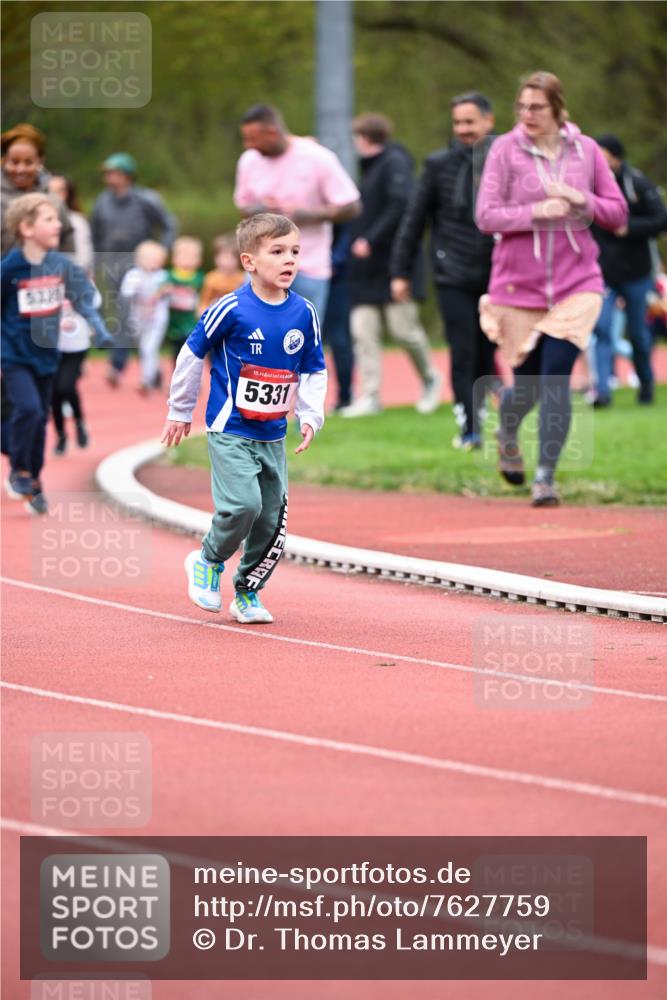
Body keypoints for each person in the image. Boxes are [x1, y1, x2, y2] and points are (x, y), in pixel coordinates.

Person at [161, 213, 327, 624]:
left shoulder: (304, 313)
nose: (289, 260)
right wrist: (180, 409)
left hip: (273, 433)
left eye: (294, 251)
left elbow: (313, 368)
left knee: (272, 521)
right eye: (277, 252)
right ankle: (208, 559)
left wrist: (310, 415)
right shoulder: (230, 308)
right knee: (243, 506)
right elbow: (191, 354)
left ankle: (248, 591)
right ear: (249, 261)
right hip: (231, 428)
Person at [476, 71, 627, 506]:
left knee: (556, 378)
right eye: (521, 106)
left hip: (577, 282)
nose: (527, 115)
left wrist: (583, 201)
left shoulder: (587, 151)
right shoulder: (504, 150)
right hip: (517, 287)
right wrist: (538, 210)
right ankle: (507, 430)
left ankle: (545, 477)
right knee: (527, 387)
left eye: (537, 107)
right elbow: (486, 216)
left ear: (559, 109)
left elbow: (617, 214)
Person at [391, 92, 497, 447]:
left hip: (497, 275)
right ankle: (469, 426)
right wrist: (400, 271)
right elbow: (415, 218)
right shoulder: (437, 164)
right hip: (451, 271)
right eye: (458, 123)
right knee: (462, 348)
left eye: (470, 122)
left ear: (488, 122)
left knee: (487, 350)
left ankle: (481, 412)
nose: (464, 129)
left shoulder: (507, 161)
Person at [1, 194, 112, 513]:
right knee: (30, 411)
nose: (58, 224)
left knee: (40, 422)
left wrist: (99, 328)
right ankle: (20, 471)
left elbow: (81, 300)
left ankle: (33, 480)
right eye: (49, 219)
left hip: (48, 356)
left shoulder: (61, 265)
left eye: (57, 219)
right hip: (14, 356)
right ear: (26, 227)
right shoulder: (10, 268)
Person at [341, 113, 441, 418]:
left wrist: (371, 239)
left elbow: (400, 206)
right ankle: (370, 396)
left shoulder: (395, 162)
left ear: (365, 138)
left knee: (403, 330)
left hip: (397, 264)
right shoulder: (367, 170)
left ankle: (430, 379)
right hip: (363, 270)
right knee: (363, 332)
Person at [234, 104, 361, 320]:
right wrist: (263, 210)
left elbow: (352, 206)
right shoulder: (249, 161)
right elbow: (243, 206)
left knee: (302, 341)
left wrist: (308, 215)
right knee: (254, 335)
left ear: (272, 133)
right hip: (262, 266)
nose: (249, 145)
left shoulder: (318, 157)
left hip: (309, 265)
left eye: (253, 139)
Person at [590, 134, 667, 406]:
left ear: (616, 156)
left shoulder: (638, 183)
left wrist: (629, 227)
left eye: (602, 155)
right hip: (602, 275)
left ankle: (646, 387)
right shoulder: (589, 187)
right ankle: (602, 392)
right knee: (600, 330)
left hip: (636, 274)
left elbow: (662, 219)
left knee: (638, 335)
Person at [90, 152, 177, 385]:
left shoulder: (146, 198)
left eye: (114, 173)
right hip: (113, 264)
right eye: (107, 173)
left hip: (141, 265)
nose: (109, 177)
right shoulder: (102, 201)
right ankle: (119, 365)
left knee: (145, 317)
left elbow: (169, 225)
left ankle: (147, 367)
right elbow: (95, 234)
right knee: (122, 315)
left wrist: (161, 251)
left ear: (128, 175)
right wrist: (96, 262)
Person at [48, 174, 96, 454]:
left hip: (75, 327)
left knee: (66, 385)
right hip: (49, 333)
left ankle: (78, 422)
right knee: (54, 389)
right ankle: (61, 436)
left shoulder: (77, 222)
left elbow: (85, 257)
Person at [1, 124, 74, 255]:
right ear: (4, 161)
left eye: (28, 162)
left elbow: (67, 245)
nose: (20, 169)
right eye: (14, 162)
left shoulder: (54, 201)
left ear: (40, 161)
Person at [119, 241, 169, 394]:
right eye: (148, 258)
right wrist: (135, 289)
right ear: (139, 260)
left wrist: (165, 291)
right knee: (145, 349)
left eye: (156, 259)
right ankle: (157, 372)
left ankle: (146, 381)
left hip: (157, 319)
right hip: (138, 320)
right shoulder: (134, 275)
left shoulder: (163, 276)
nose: (152, 263)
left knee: (149, 348)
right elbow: (126, 294)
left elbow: (169, 294)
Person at [162, 236, 204, 365]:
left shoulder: (200, 278)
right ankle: (176, 377)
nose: (187, 260)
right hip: (173, 321)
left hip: (191, 321)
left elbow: (203, 297)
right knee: (176, 351)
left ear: (199, 260)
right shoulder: (168, 276)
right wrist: (164, 290)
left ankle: (190, 379)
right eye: (183, 256)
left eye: (191, 256)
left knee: (190, 352)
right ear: (174, 259)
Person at [199, 234, 246, 313]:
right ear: (215, 258)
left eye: (231, 258)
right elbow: (204, 302)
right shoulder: (211, 278)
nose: (226, 262)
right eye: (222, 257)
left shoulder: (243, 278)